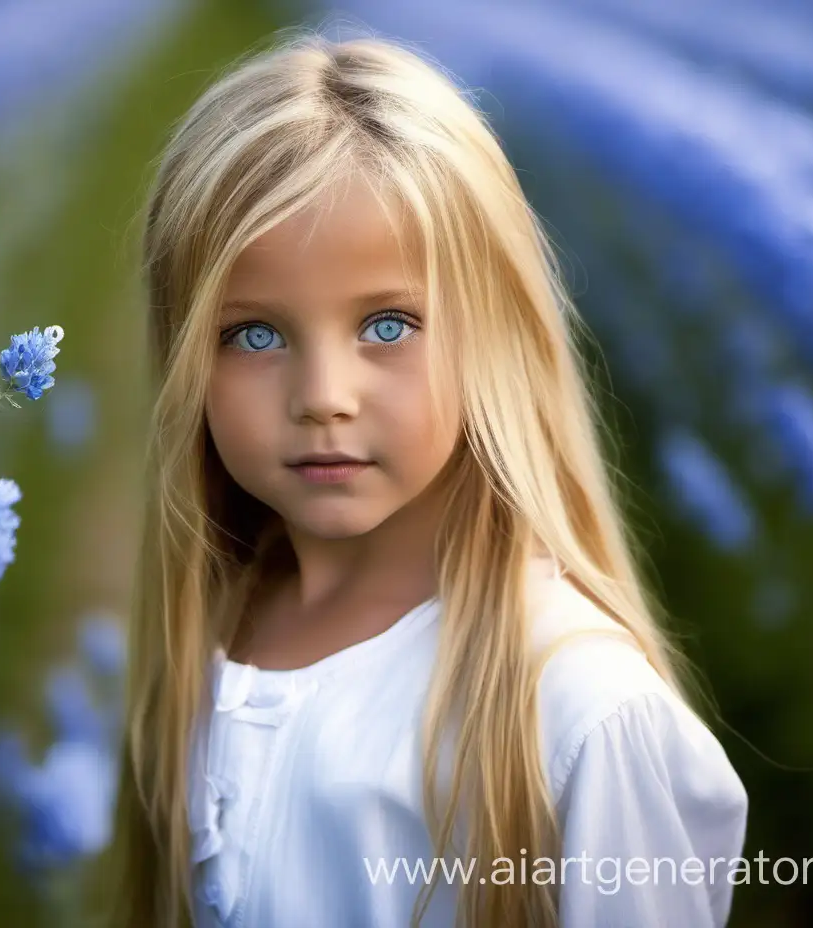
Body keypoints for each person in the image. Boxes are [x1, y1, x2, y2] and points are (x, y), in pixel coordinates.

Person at [106, 28, 748, 928]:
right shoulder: (213, 632)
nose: (324, 398)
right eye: (254, 334)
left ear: (497, 337)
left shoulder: (578, 714)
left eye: (388, 325)